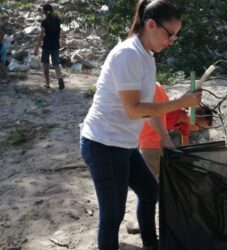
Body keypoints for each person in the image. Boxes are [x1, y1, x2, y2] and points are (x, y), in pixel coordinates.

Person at [79, 1, 201, 249]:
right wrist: (180, 102)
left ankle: (150, 243)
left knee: (149, 192)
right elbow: (134, 110)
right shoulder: (127, 54)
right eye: (169, 34)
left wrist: (165, 140)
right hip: (103, 144)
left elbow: (151, 103)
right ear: (151, 24)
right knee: (112, 216)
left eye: (175, 37)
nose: (170, 41)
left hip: (124, 144)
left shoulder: (147, 56)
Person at [139, 82, 213, 180]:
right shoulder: (173, 111)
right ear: (193, 118)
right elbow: (150, 115)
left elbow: (186, 147)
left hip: (160, 146)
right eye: (199, 126)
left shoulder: (184, 126)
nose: (198, 129)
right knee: (150, 183)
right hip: (150, 145)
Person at [34, 3, 64, 90]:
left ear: (44, 12)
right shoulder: (57, 19)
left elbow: (41, 35)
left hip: (47, 46)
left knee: (46, 65)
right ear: (52, 10)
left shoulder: (45, 22)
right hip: (55, 45)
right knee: (56, 63)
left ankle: (47, 84)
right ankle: (59, 78)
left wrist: (37, 47)